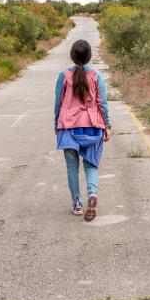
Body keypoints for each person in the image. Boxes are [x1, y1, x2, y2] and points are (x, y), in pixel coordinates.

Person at [54, 39, 111, 221]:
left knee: (72, 167)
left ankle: (77, 203)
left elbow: (59, 102)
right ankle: (92, 194)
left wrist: (57, 124)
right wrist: (107, 125)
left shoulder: (64, 76)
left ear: (72, 55)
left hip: (69, 126)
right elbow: (102, 103)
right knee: (90, 164)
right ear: (88, 57)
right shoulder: (96, 76)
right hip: (92, 126)